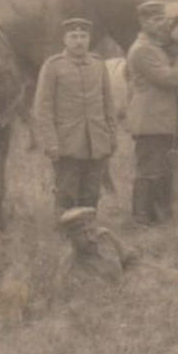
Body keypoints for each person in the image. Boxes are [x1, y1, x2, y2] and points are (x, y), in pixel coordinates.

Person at [127, 1, 178, 225]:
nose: (161, 24)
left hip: (161, 119)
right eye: (155, 20)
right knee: (148, 170)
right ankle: (141, 218)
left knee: (162, 170)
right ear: (143, 22)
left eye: (162, 19)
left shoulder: (155, 46)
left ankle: (159, 216)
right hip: (149, 119)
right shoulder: (142, 50)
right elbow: (168, 79)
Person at [32, 17, 117, 214]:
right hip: (67, 141)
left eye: (83, 36)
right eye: (73, 36)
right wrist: (50, 142)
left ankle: (88, 230)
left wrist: (111, 136)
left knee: (92, 191)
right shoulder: (53, 66)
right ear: (65, 39)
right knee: (67, 190)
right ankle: (66, 233)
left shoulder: (98, 64)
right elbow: (43, 108)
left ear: (89, 39)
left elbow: (108, 104)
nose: (79, 41)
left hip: (96, 140)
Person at [52, 207, 139, 291]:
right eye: (82, 234)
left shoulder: (106, 237)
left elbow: (132, 258)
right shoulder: (68, 268)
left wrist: (131, 280)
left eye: (92, 231)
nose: (91, 238)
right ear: (71, 238)